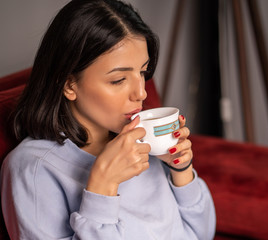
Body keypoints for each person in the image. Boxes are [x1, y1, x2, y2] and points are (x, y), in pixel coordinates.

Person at [0, 0, 216, 239]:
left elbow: (202, 233)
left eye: (142, 72)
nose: (141, 93)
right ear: (68, 84)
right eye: (118, 80)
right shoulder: (33, 168)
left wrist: (181, 169)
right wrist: (102, 186)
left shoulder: (143, 144)